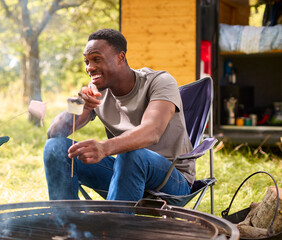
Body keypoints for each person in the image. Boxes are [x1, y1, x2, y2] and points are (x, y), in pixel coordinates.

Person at [43, 28, 194, 201]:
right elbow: (53, 133)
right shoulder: (96, 90)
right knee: (54, 147)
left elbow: (152, 131)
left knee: (131, 153)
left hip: (170, 180)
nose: (89, 68)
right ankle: (67, 223)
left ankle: (113, 226)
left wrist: (104, 147)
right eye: (87, 61)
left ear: (120, 57)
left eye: (96, 59)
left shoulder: (160, 81)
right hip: (125, 174)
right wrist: (79, 105)